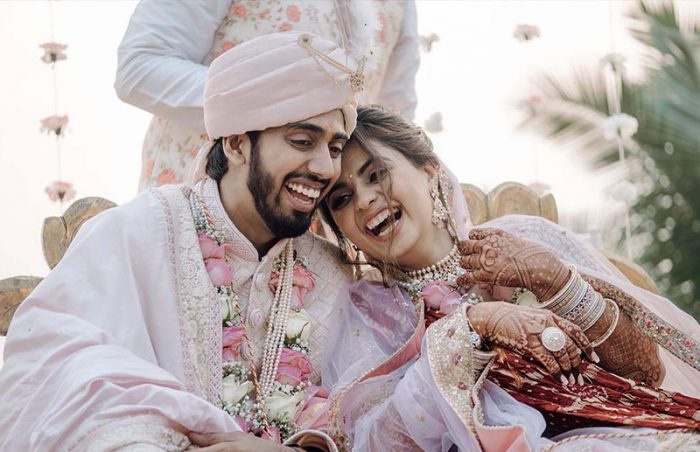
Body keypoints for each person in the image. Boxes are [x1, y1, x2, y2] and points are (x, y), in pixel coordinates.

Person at [0, 32, 364, 451]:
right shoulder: (135, 234)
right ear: (236, 144)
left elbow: (373, 419)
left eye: (335, 148)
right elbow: (51, 370)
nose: (324, 168)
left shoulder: (334, 277)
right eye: (302, 142)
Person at [319, 105, 700, 450]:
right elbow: (377, 442)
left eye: (376, 175)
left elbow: (646, 373)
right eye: (341, 199)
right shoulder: (368, 313)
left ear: (429, 172)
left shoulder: (524, 237)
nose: (364, 200)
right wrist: (468, 329)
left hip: (627, 431)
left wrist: (557, 284)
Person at [115, 0, 419, 190]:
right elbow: (140, 67)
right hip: (199, 208)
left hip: (314, 234)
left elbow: (394, 120)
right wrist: (272, 106)